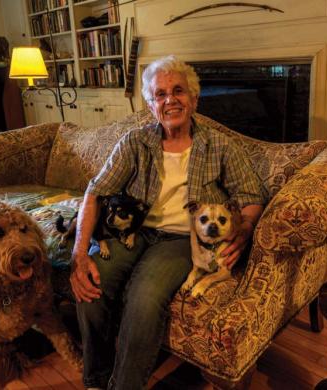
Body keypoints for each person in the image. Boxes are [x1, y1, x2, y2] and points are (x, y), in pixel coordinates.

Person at [70, 55, 264, 390]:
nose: (170, 99)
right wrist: (79, 251)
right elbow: (95, 191)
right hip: (135, 233)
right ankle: (96, 380)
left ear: (194, 98)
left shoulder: (220, 146)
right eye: (160, 94)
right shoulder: (135, 142)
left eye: (178, 91)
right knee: (91, 285)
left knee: (144, 299)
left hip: (181, 241)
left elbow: (251, 196)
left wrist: (243, 231)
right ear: (150, 105)